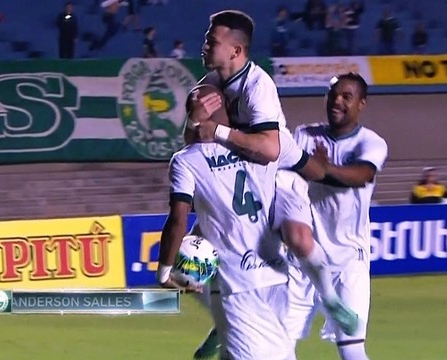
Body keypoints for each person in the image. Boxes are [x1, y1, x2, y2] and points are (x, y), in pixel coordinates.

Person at [184, 10, 357, 359]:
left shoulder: (257, 85)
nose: (204, 45)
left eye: (211, 41)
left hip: (279, 173)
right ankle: (225, 321)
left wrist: (215, 129)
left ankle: (330, 298)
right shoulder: (208, 86)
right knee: (188, 266)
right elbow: (193, 142)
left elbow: (271, 149)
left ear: (236, 51)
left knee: (297, 237)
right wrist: (193, 119)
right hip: (240, 181)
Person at [157, 87, 312, 360]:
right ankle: (221, 334)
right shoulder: (262, 147)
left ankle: (221, 333)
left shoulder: (186, 161)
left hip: (237, 282)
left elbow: (178, 219)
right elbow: (310, 168)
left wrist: (164, 273)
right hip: (278, 275)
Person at [284, 73, 388, 360]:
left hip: (348, 262)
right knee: (276, 347)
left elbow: (362, 176)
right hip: (302, 262)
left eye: (346, 96)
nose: (337, 101)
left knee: (352, 351)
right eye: (332, 94)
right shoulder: (305, 135)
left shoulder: (371, 143)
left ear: (362, 104)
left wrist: (323, 169)